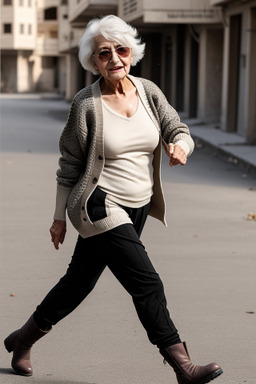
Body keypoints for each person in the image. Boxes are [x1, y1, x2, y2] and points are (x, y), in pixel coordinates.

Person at [4, 15, 223, 384]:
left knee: (78, 282)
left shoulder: (149, 92)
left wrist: (181, 147)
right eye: (103, 53)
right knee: (147, 282)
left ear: (131, 52)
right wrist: (59, 218)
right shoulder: (85, 105)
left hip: (137, 206)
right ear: (93, 61)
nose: (114, 59)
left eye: (120, 49)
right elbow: (69, 166)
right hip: (98, 205)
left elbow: (178, 129)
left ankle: (22, 339)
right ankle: (182, 365)